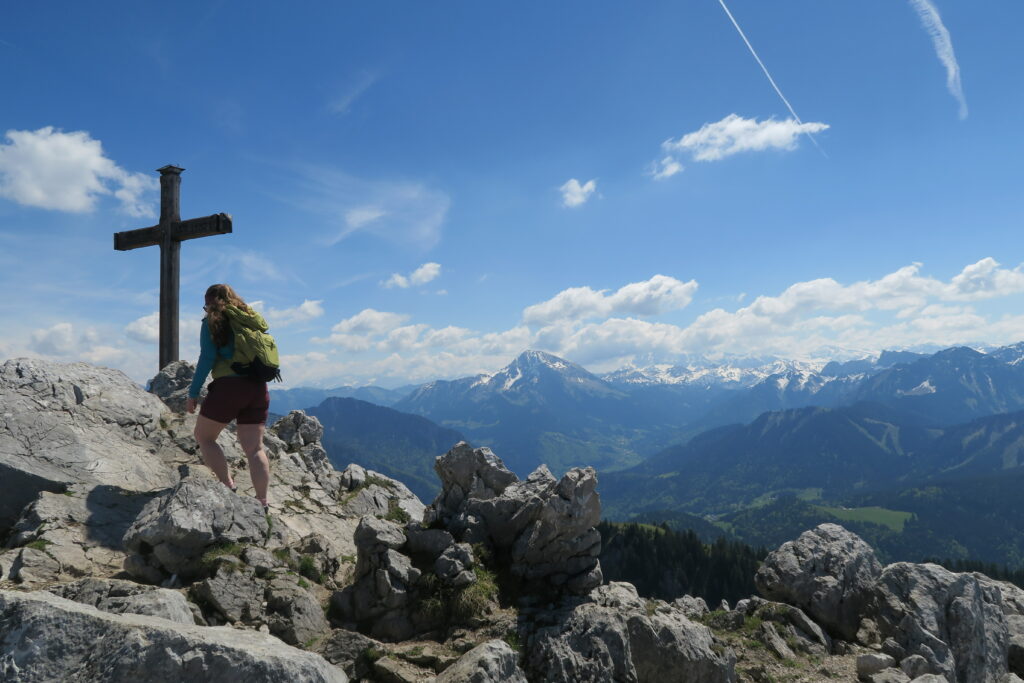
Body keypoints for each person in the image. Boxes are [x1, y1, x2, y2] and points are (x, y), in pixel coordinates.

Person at [185, 284, 272, 511]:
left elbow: (207, 358)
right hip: (258, 387)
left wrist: (193, 393)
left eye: (206, 305)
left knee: (204, 437)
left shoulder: (213, 321)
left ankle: (227, 485)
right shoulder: (249, 318)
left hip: (229, 387)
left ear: (210, 302)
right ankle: (262, 502)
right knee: (255, 449)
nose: (205, 310)